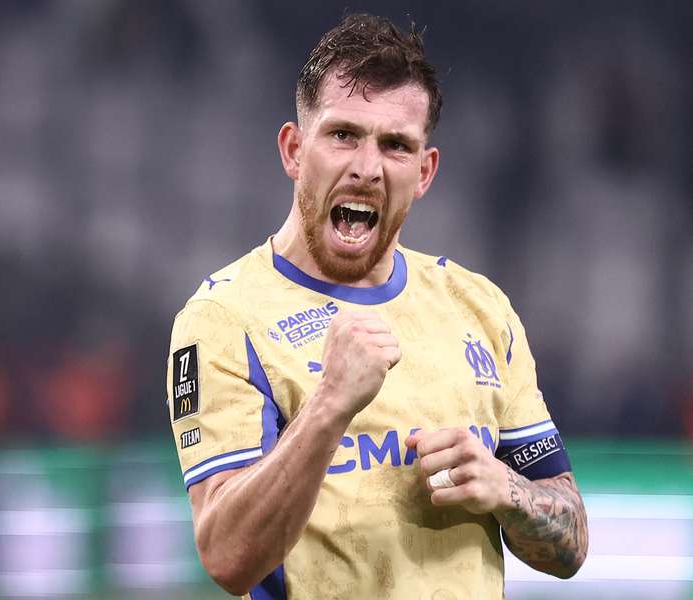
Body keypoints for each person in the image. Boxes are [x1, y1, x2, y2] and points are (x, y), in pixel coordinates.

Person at [166, 13, 588, 599]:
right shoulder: (222, 319)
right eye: (344, 134)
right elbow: (227, 555)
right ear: (294, 150)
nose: (367, 168)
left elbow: (571, 541)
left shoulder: (478, 308)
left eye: (395, 145)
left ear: (424, 172)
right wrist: (330, 406)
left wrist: (504, 487)